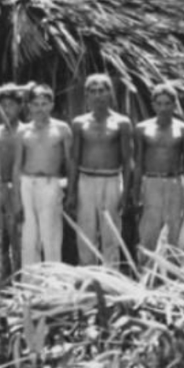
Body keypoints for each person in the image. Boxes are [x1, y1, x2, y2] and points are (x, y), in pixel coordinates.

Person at [68, 74, 132, 267]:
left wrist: (126, 192)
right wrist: (71, 192)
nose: (98, 96)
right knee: (86, 232)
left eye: (102, 91)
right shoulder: (80, 123)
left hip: (111, 179)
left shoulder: (121, 122)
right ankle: (88, 276)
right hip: (86, 180)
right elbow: (74, 158)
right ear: (87, 95)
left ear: (110, 93)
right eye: (93, 91)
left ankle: (110, 276)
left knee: (111, 232)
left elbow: (128, 160)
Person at [13, 84, 73, 265]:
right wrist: (16, 198)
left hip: (51, 184)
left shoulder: (62, 129)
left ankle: (53, 284)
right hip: (27, 184)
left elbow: (70, 163)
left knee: (51, 234)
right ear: (29, 106)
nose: (40, 108)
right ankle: (30, 283)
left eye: (44, 103)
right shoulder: (23, 131)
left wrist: (71, 191)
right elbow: (17, 165)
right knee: (29, 236)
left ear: (52, 105)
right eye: (36, 104)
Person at [133, 83, 184, 259]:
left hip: (175, 182)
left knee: (173, 227)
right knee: (148, 229)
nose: (163, 107)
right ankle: (145, 270)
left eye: (167, 103)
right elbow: (137, 163)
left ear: (174, 105)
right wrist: (136, 192)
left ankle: (170, 273)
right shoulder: (142, 128)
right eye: (159, 103)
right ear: (153, 105)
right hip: (151, 182)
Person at [0, 85, 24, 278]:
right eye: (3, 105)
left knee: (18, 236)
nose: (7, 110)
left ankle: (20, 276)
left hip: (19, 188)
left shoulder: (24, 132)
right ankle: (3, 280)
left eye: (11, 105)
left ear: (20, 107)